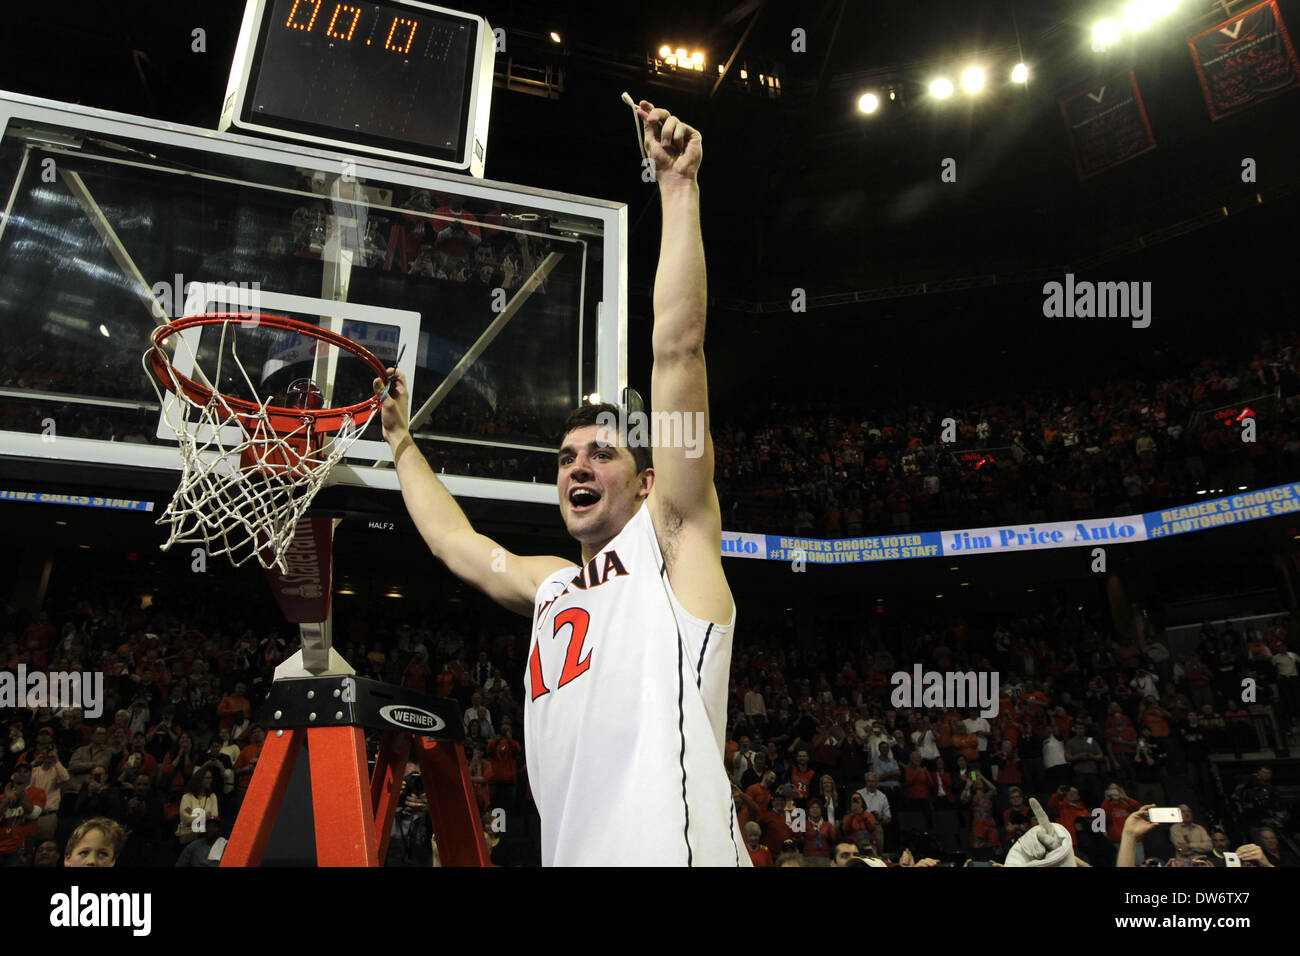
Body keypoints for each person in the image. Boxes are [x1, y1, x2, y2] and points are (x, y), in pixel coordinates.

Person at [377, 101, 738, 866]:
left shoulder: (675, 546)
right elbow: (455, 543)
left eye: (601, 453)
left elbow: (678, 352)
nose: (577, 464)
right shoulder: (553, 590)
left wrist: (677, 189)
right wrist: (404, 444)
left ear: (647, 484)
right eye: (567, 456)